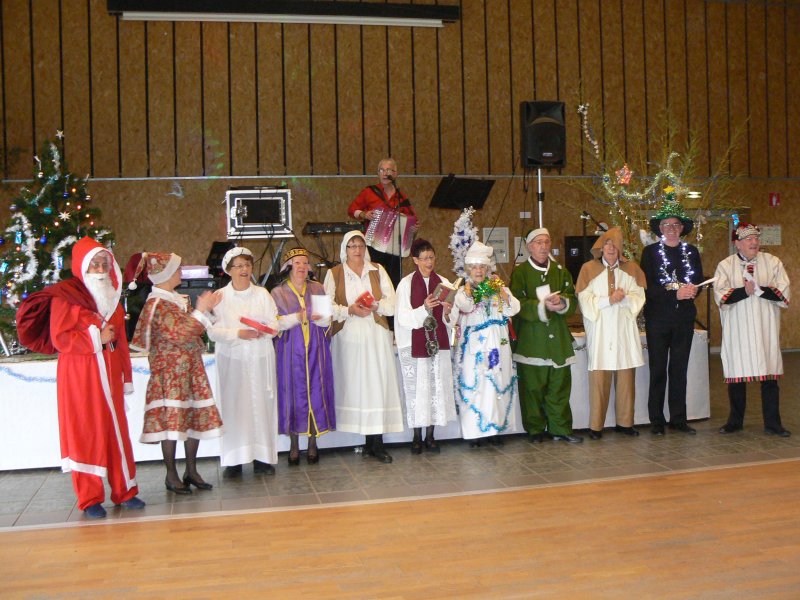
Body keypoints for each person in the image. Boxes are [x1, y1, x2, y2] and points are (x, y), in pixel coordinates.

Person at [47, 237, 145, 518]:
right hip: (80, 377)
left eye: (104, 263)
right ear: (82, 267)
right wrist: (95, 338)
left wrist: (126, 376)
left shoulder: (113, 300)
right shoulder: (66, 298)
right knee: (85, 432)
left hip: (110, 375)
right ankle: (89, 498)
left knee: (116, 431)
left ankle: (125, 490)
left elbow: (121, 343)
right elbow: (60, 338)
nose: (101, 269)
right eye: (95, 264)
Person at [130, 252, 223, 494]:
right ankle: (171, 475)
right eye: (178, 269)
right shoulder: (158, 304)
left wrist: (206, 310)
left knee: (191, 418)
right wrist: (201, 310)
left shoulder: (174, 300)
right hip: (170, 373)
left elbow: (193, 329)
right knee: (171, 423)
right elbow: (180, 334)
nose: (181, 272)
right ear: (166, 273)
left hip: (189, 368)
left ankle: (191, 470)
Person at [323, 230, 404, 463]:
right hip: (349, 338)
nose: (357, 250)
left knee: (377, 386)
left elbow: (393, 303)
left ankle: (376, 443)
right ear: (345, 249)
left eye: (360, 245)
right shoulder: (334, 273)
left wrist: (376, 306)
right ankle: (367, 441)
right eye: (352, 246)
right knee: (358, 387)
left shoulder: (377, 270)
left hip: (376, 335)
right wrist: (348, 309)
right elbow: (326, 307)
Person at [207, 247, 280, 477]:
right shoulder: (220, 297)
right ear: (229, 270)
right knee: (234, 409)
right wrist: (238, 333)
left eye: (247, 265)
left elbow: (275, 324)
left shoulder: (262, 294)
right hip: (233, 362)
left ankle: (263, 459)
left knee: (262, 407)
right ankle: (234, 461)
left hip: (260, 359)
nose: (244, 269)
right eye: (238, 266)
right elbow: (213, 332)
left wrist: (264, 329)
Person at [714, 223, 791, 437]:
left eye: (756, 238)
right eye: (748, 239)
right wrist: (743, 292)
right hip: (738, 329)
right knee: (737, 376)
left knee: (769, 377)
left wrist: (759, 290)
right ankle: (735, 421)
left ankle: (773, 423)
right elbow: (720, 295)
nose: (754, 242)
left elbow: (784, 290)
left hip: (765, 327)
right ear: (737, 243)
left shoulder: (772, 262)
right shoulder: (725, 265)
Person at [510, 228, 582, 443]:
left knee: (559, 387)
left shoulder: (560, 271)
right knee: (532, 389)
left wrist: (562, 303)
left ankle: (560, 428)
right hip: (531, 342)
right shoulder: (521, 273)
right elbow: (517, 304)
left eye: (546, 242)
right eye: (538, 242)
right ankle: (535, 430)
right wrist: (541, 306)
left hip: (558, 341)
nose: (543, 246)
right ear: (529, 246)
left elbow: (572, 298)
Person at [640, 196, 703, 435]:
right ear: (660, 228)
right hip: (658, 319)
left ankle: (678, 418)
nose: (671, 229)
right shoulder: (650, 252)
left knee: (679, 370)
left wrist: (692, 291)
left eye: (676, 225)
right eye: (666, 225)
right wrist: (674, 294)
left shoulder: (691, 252)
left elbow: (698, 281)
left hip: (683, 319)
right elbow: (647, 287)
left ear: (682, 228)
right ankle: (656, 420)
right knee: (658, 370)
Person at [576, 227, 647, 439]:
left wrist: (623, 299)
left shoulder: (631, 269)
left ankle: (625, 423)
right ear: (600, 247)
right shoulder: (588, 269)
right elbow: (584, 300)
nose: (611, 248)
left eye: (615, 245)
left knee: (626, 380)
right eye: (607, 244)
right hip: (601, 331)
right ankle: (596, 426)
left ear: (620, 248)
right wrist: (609, 300)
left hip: (623, 331)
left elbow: (639, 297)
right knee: (599, 381)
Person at [451, 241, 520, 446]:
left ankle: (494, 429)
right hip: (475, 347)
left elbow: (514, 308)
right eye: (474, 267)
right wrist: (469, 291)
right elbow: (464, 306)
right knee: (476, 386)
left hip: (497, 345)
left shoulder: (498, 288)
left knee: (496, 383)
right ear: (468, 269)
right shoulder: (463, 291)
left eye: (482, 267)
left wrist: (502, 292)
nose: (478, 271)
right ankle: (475, 432)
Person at [272, 247, 336, 465]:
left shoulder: (317, 288)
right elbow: (275, 323)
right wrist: (296, 318)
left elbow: (327, 320)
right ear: (289, 267)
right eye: (297, 263)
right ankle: (293, 445)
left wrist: (320, 318)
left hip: (316, 349)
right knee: (292, 394)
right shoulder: (278, 292)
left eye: (305, 263)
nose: (302, 266)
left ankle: (312, 443)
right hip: (290, 351)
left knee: (316, 393)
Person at [395, 238, 456, 454]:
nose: (429, 262)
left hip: (438, 344)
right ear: (415, 260)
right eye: (424, 258)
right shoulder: (406, 284)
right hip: (415, 345)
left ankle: (431, 436)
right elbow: (402, 317)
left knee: (435, 390)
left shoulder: (444, 282)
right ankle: (416, 437)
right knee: (418, 393)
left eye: (431, 257)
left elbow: (451, 319)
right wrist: (424, 308)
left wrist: (447, 311)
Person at [348, 158, 417, 288]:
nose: (385, 173)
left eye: (389, 170)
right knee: (373, 278)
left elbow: (413, 219)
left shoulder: (400, 196)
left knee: (394, 280)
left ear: (395, 174)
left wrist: (412, 227)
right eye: (381, 170)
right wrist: (364, 214)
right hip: (374, 243)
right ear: (378, 173)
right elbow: (352, 210)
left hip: (394, 246)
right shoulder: (369, 192)